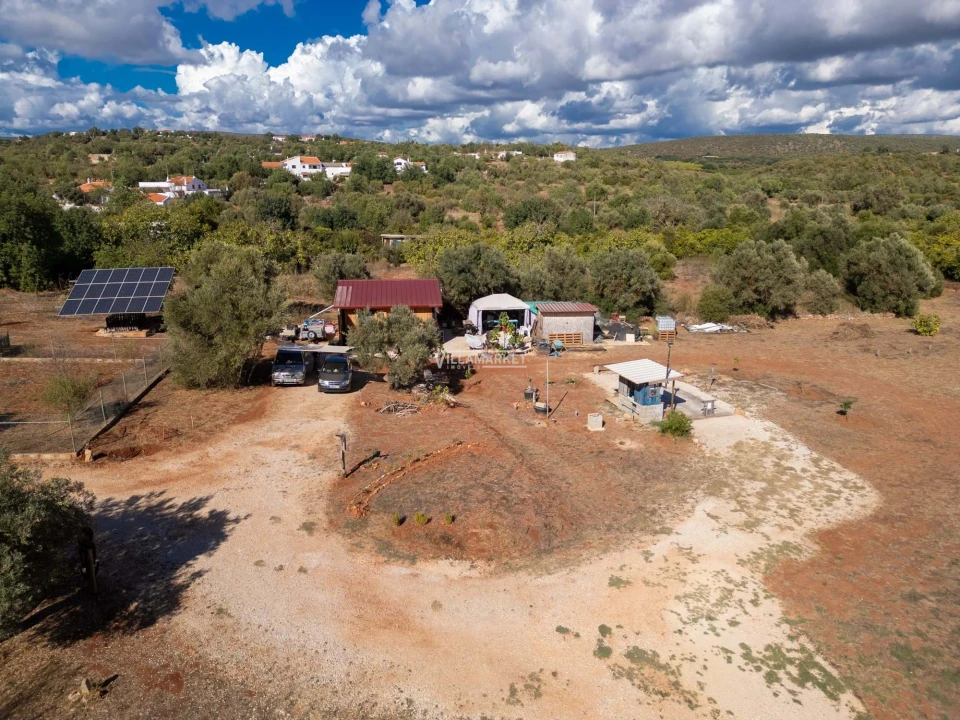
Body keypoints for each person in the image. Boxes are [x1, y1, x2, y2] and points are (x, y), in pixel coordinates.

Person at [77, 526, 99, 593]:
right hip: (85, 563)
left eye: (87, 536)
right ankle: (89, 580)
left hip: (91, 562)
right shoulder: (81, 547)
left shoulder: (92, 544)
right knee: (86, 572)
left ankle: (92, 580)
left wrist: (94, 562)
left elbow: (94, 554)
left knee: (95, 566)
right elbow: (81, 557)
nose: (86, 538)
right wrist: (83, 565)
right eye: (84, 536)